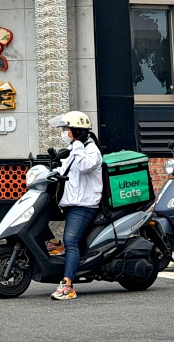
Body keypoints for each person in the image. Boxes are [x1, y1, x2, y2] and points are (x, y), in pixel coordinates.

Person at [47, 111, 103, 301]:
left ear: (77, 131)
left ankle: (68, 285)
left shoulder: (91, 150)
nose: (64, 133)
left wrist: (78, 144)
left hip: (84, 205)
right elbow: (64, 170)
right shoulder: (74, 149)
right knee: (39, 217)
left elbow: (85, 166)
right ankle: (55, 245)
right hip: (70, 202)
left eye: (66, 129)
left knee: (71, 241)